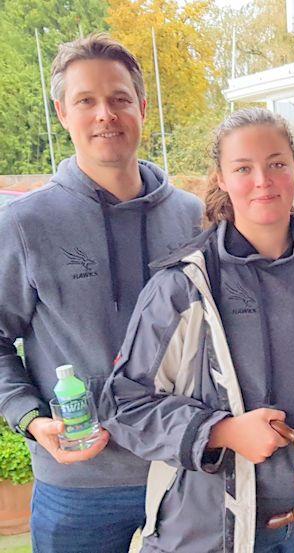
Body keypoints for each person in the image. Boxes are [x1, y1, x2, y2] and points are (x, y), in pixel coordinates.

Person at [103, 107, 294, 552]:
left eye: (276, 164)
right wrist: (222, 432)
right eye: (243, 168)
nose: (263, 180)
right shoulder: (182, 287)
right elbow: (124, 405)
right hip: (208, 529)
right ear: (221, 178)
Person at [0, 34, 203, 552]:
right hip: (80, 486)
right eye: (85, 100)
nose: (104, 115)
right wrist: (29, 416)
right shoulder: (24, 225)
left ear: (142, 106)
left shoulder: (195, 217)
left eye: (118, 99)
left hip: (186, 472)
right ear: (62, 112)